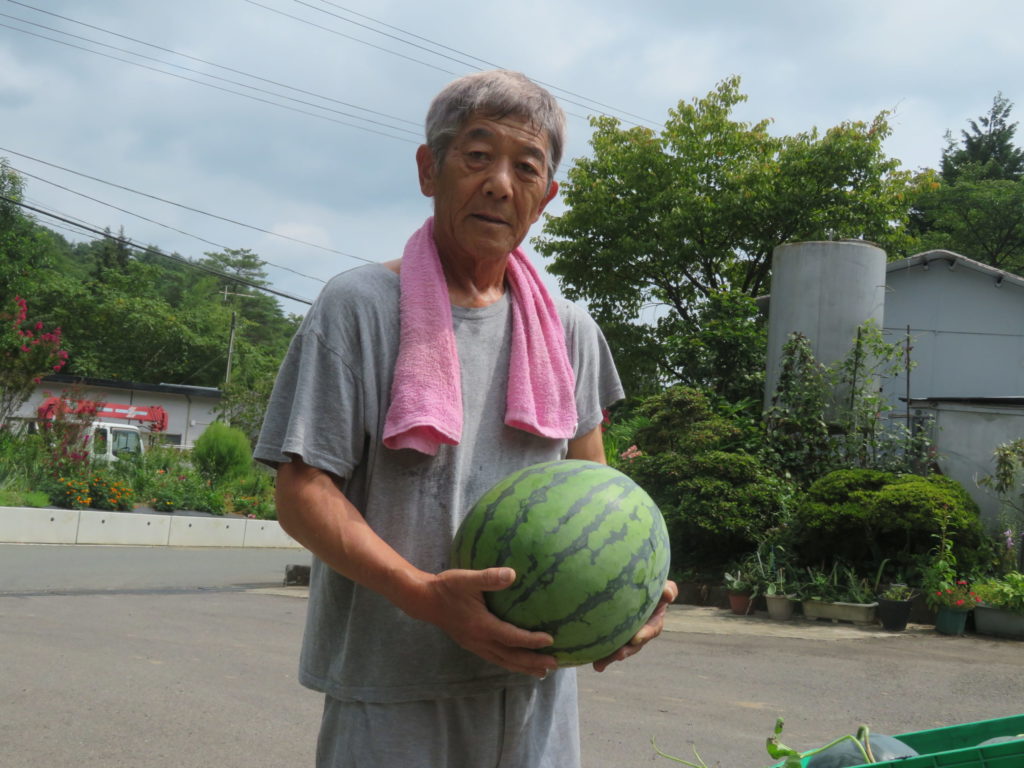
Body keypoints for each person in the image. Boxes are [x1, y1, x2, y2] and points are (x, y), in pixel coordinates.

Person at [254, 69, 677, 768]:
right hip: (392, 689)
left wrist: (632, 594)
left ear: (547, 195)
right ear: (430, 169)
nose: (500, 185)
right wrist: (426, 597)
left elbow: (597, 496)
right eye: (478, 156)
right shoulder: (359, 307)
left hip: (535, 689)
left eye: (526, 167)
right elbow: (303, 492)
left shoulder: (570, 331)